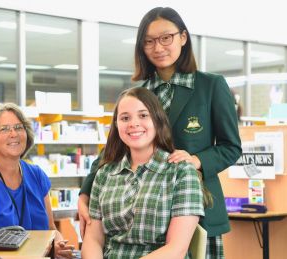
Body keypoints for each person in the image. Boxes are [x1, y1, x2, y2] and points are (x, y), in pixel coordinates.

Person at [79, 7, 242, 258]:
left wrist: (196, 160)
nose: (158, 47)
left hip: (195, 205)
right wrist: (86, 192)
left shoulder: (210, 86)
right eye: (149, 41)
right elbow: (114, 146)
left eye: (166, 37)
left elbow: (231, 147)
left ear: (183, 38)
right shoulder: (140, 93)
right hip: (143, 208)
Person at [81, 87, 204, 258]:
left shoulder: (181, 172)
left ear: (158, 120)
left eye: (143, 115)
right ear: (117, 125)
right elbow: (93, 239)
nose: (133, 123)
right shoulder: (104, 174)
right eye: (125, 118)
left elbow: (177, 248)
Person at [0, 102, 74, 259]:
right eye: (4, 129)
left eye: (18, 127)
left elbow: (51, 229)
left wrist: (59, 245)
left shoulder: (36, 175)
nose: (13, 134)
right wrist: (42, 251)